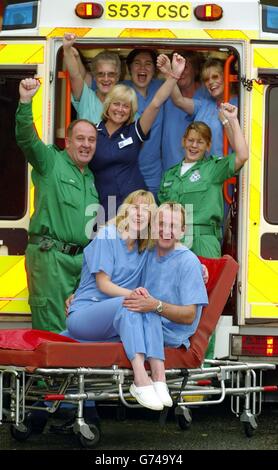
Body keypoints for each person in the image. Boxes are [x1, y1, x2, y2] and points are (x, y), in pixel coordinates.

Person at [65, 197, 208, 411]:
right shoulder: (146, 253)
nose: (165, 231)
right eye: (161, 224)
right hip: (128, 320)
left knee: (142, 305)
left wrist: (199, 268)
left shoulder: (186, 261)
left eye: (172, 226)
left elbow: (188, 314)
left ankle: (152, 380)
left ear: (182, 231)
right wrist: (79, 295)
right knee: (138, 305)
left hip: (160, 329)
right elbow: (103, 280)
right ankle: (147, 379)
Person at [16, 78, 99, 333]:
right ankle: (45, 376)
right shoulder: (51, 162)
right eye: (80, 139)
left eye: (91, 140)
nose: (86, 145)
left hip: (79, 261)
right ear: (68, 142)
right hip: (50, 257)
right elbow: (27, 139)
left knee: (75, 329)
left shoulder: (90, 177)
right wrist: (25, 102)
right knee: (52, 332)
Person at [88, 52, 186, 220]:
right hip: (103, 206)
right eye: (116, 104)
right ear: (107, 105)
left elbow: (156, 103)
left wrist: (174, 75)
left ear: (132, 110)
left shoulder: (134, 131)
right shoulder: (93, 132)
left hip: (135, 209)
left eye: (126, 106)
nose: (120, 110)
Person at [158, 103, 248, 258]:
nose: (194, 146)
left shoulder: (213, 169)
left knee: (207, 282)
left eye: (200, 142)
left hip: (203, 241)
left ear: (208, 146)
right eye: (190, 140)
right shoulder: (169, 175)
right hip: (173, 239)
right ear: (183, 142)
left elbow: (242, 155)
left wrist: (232, 120)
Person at [160, 55, 238, 157]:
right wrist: (169, 74)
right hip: (201, 170)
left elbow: (240, 148)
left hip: (222, 169)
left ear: (227, 77)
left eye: (215, 77)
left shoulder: (241, 104)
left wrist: (227, 121)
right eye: (206, 79)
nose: (210, 82)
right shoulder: (204, 104)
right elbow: (178, 100)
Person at [124, 48, 164, 197]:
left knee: (153, 217)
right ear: (129, 68)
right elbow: (86, 79)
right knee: (127, 218)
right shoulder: (120, 89)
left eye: (148, 64)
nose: (142, 68)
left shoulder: (159, 87)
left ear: (154, 70)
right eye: (137, 63)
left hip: (154, 174)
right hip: (126, 173)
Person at [162, 51, 209, 171]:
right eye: (176, 68)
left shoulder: (208, 95)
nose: (180, 72)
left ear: (196, 70)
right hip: (171, 172)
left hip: (200, 174)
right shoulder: (165, 93)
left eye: (185, 67)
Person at [63, 33, 121, 123]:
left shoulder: (124, 104)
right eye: (101, 74)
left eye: (111, 74)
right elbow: (75, 75)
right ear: (94, 76)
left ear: (117, 77)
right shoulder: (86, 97)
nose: (106, 79)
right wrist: (67, 50)